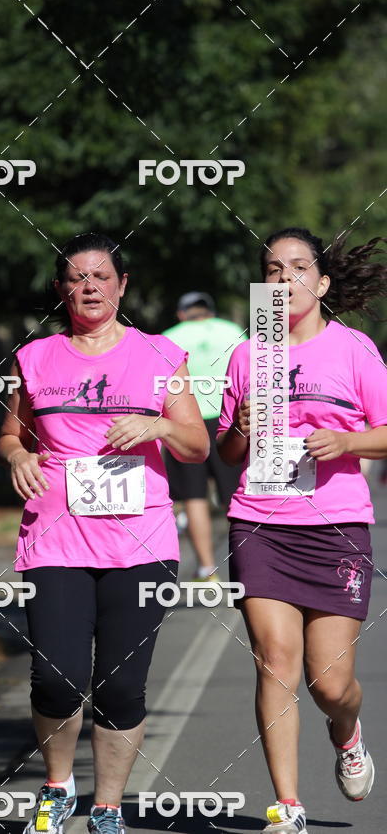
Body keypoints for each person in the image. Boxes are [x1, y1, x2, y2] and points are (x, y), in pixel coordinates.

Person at [0, 233, 209, 834]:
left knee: (120, 688)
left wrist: (155, 424)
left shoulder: (161, 355)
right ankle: (58, 785)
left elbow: (195, 446)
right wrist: (16, 455)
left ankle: (109, 805)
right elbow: (13, 435)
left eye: (100, 276)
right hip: (55, 540)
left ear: (122, 286)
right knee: (55, 676)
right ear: (62, 289)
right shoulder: (35, 357)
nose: (88, 285)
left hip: (139, 546)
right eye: (75, 277)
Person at [217, 227, 387, 834]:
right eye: (271, 269)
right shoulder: (245, 354)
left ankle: (346, 731)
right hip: (260, 522)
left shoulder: (354, 350)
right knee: (275, 662)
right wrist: (238, 424)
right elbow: (229, 450)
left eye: (295, 268)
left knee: (330, 680)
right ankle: (287, 808)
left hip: (336, 524)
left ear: (321, 283)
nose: (282, 278)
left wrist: (346, 440)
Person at [162, 292, 245, 580]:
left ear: (182, 314)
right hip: (229, 422)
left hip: (187, 423)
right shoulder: (233, 332)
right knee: (236, 496)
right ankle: (246, 562)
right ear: (209, 311)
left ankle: (207, 568)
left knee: (193, 496)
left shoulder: (169, 337)